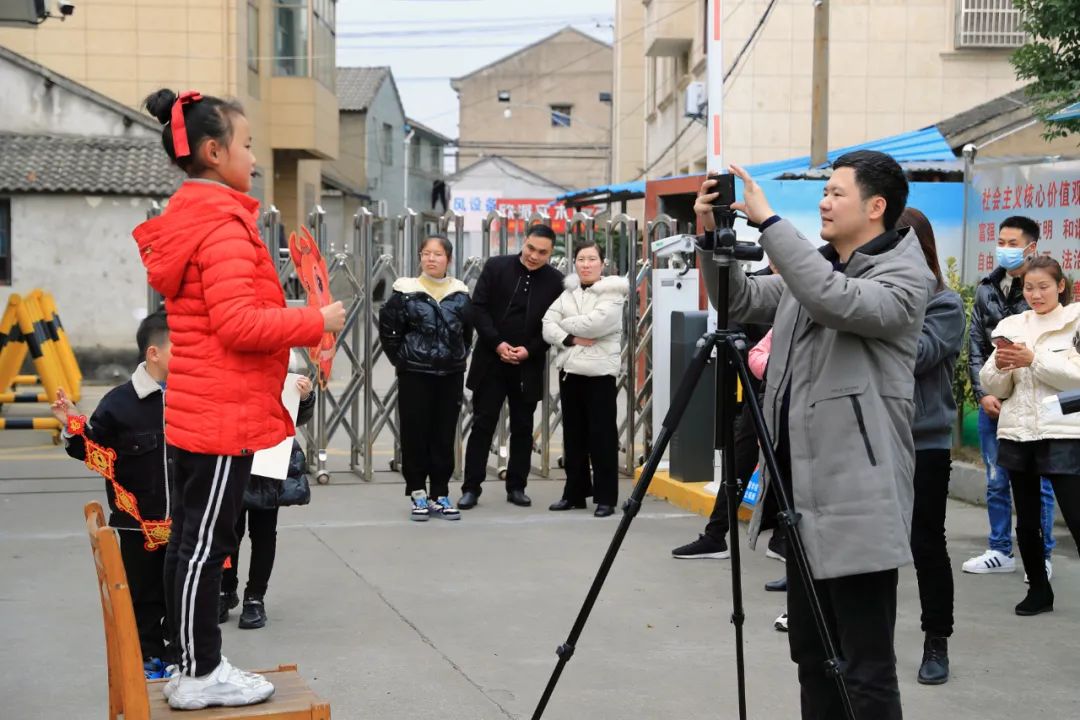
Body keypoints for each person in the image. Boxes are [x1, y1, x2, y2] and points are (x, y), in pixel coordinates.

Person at [695, 150, 933, 720]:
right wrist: (711, 240)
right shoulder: (820, 270)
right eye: (824, 192)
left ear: (876, 207)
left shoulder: (904, 277)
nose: (824, 202)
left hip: (860, 495)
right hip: (803, 495)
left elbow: (834, 300)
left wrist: (771, 225)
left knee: (864, 664)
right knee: (812, 654)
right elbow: (744, 300)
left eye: (836, 193)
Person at [133, 88, 346, 710]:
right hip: (220, 410)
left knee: (192, 542)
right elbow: (238, 324)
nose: (253, 159)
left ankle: (191, 662)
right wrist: (315, 320)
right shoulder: (221, 223)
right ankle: (199, 673)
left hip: (203, 405)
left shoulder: (197, 216)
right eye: (247, 146)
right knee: (208, 544)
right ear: (212, 150)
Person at [52, 311, 174, 679]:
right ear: (154, 353)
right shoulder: (120, 404)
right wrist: (74, 425)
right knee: (144, 599)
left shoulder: (194, 397)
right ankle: (148, 660)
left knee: (184, 595)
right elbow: (93, 450)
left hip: (187, 522)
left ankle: (184, 658)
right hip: (138, 529)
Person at [979, 256, 1080, 616]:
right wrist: (1002, 364)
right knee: (1028, 519)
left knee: (1075, 513)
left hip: (1064, 430)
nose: (1035, 294)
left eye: (1044, 287)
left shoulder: (1075, 320)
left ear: (1061, 286)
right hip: (1018, 430)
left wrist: (1032, 359)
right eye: (1029, 287)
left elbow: (1076, 377)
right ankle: (1039, 589)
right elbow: (992, 383)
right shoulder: (1012, 323)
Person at [963, 216, 1057, 577]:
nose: (1004, 247)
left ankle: (1042, 555)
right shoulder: (987, 287)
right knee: (995, 479)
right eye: (1001, 240)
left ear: (1031, 247)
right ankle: (1000, 549)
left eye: (1013, 242)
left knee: (1040, 485)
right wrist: (984, 392)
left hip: (1033, 406)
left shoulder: (1042, 290)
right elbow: (975, 345)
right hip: (993, 401)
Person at [899, 207, 965, 685]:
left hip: (926, 441)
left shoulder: (944, 303)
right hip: (877, 436)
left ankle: (935, 641)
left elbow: (917, 355)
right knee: (870, 543)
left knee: (926, 542)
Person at [460, 224, 564, 509]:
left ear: (551, 253)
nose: (533, 256)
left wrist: (529, 351)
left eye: (542, 252)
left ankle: (517, 486)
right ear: (524, 242)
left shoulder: (556, 281)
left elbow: (554, 325)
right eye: (530, 248)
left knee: (522, 427)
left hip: (527, 365)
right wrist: (497, 343)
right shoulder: (496, 267)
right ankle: (471, 488)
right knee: (483, 424)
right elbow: (477, 308)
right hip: (491, 360)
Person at [379, 234, 472, 520]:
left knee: (444, 434)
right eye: (426, 253)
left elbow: (466, 335)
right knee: (415, 433)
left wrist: (454, 358)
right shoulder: (405, 291)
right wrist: (405, 360)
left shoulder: (460, 294)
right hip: (415, 375)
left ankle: (440, 493)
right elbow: (389, 332)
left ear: (449, 259)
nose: (431, 259)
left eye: (438, 254)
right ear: (420, 256)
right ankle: (418, 491)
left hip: (450, 374)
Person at [220, 375, 316, 629]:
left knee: (263, 534)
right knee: (229, 532)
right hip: (233, 458)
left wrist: (304, 397)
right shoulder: (229, 366)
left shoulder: (280, 370)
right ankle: (225, 589)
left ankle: (255, 598)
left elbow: (296, 416)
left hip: (268, 465)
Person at [541, 242, 628, 517]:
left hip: (599, 373)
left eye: (592, 259)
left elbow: (597, 324)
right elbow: (546, 323)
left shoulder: (613, 293)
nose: (586, 264)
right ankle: (575, 493)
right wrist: (570, 337)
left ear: (603, 263)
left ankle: (606, 498)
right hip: (570, 372)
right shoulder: (569, 292)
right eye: (581, 259)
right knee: (573, 437)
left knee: (602, 437)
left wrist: (564, 325)